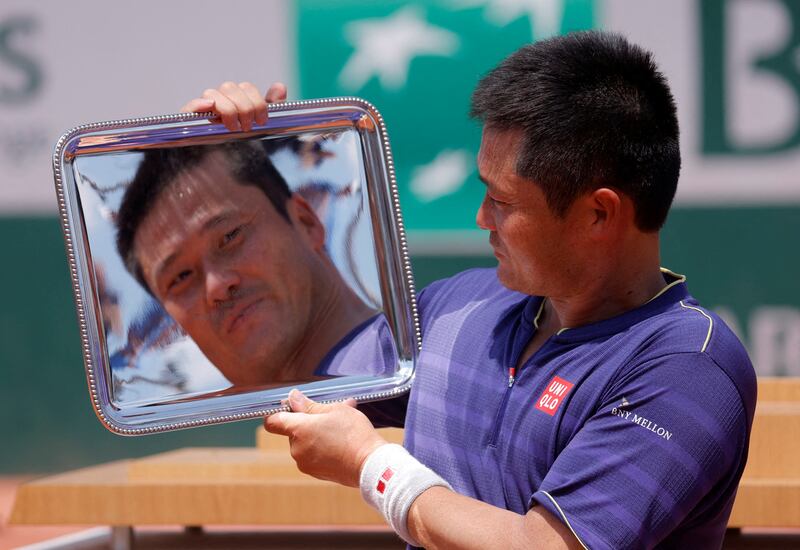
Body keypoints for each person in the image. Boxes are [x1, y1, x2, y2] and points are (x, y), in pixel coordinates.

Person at [185, 31, 756, 548]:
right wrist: (235, 155)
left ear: (599, 215)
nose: (481, 218)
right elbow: (288, 374)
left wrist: (372, 465)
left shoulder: (689, 369)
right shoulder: (459, 306)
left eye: (503, 203)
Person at [115, 140, 394, 386]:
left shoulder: (436, 333)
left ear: (307, 222)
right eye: (180, 277)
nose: (217, 286)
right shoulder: (234, 442)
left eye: (230, 236)